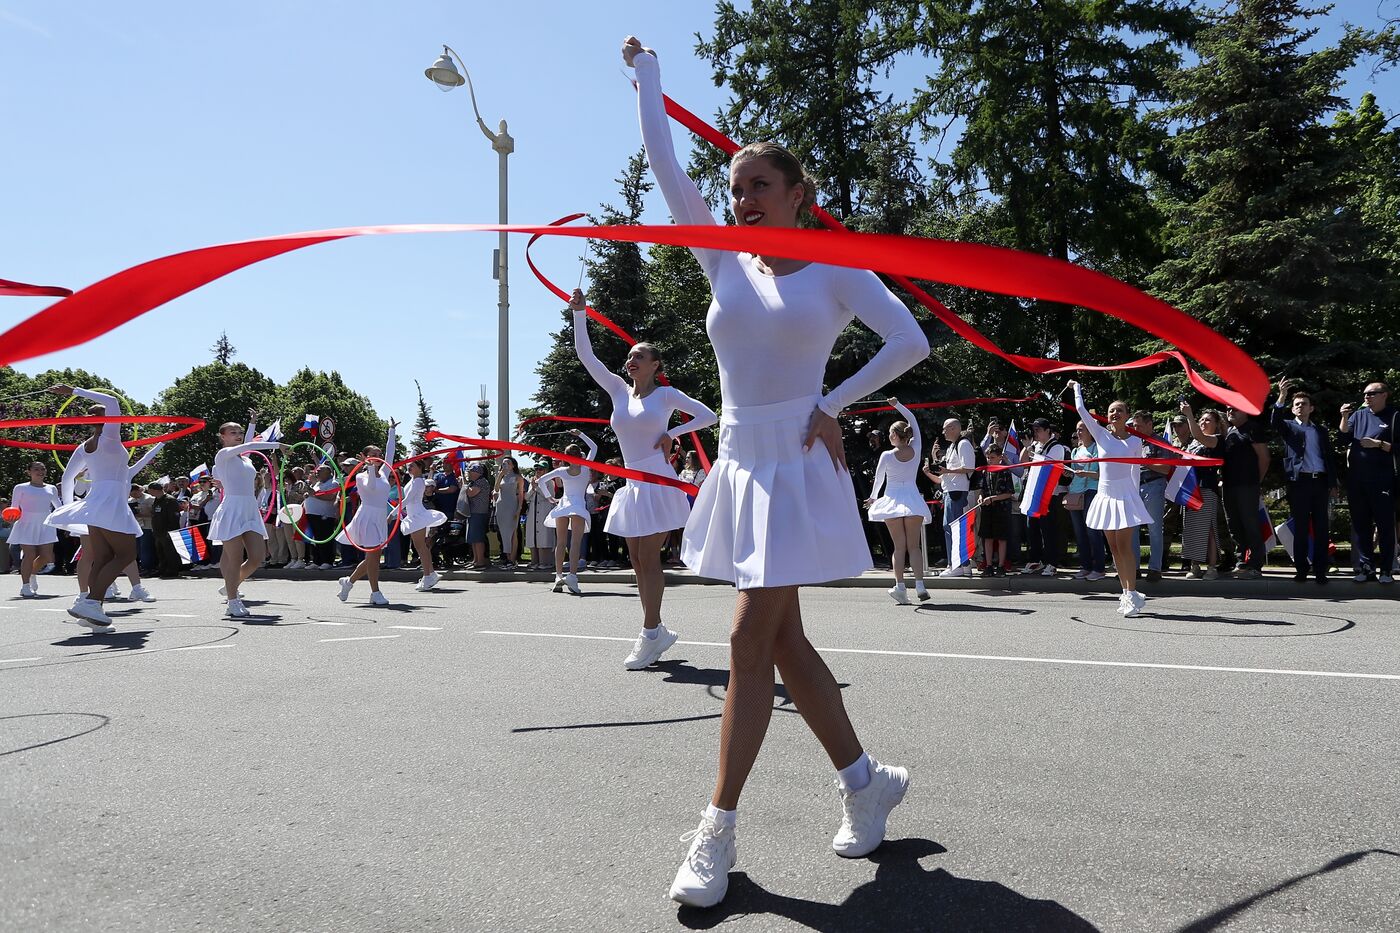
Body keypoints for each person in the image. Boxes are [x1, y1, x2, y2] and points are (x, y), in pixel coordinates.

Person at [626, 36, 929, 909]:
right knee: (783, 642)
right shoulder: (722, 257)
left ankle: (717, 827)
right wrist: (648, 80)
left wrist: (832, 402)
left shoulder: (837, 269)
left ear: (801, 195)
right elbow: (663, 162)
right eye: (735, 190)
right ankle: (866, 780)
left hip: (794, 463)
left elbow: (910, 340)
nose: (742, 198)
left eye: (759, 185)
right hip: (740, 461)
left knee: (747, 640)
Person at [570, 288, 719, 665]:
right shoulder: (619, 391)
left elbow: (709, 416)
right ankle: (658, 630)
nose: (631, 359)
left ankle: (650, 632)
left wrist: (673, 434)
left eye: (639, 355)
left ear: (655, 365)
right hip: (633, 484)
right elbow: (587, 357)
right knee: (637, 560)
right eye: (630, 355)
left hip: (658, 482)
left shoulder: (666, 396)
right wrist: (579, 314)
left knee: (648, 559)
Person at [42, 385, 144, 632]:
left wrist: (70, 511)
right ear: (105, 419)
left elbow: (67, 479)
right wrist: (75, 390)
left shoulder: (85, 445)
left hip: (95, 502)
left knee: (104, 558)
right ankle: (90, 601)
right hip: (110, 501)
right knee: (126, 555)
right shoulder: (110, 437)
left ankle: (92, 613)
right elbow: (111, 401)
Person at [1071, 382, 1153, 615]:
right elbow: (1080, 409)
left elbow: (1135, 471)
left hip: (1125, 495)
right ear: (1106, 417)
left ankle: (1132, 593)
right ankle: (1126, 592)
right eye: (1111, 411)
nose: (1115, 413)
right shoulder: (1101, 436)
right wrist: (1077, 386)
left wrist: (1134, 499)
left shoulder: (1135, 441)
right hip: (1105, 494)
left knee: (1125, 547)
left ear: (1127, 416)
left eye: (1119, 410)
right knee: (1114, 548)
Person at [208, 411, 286, 618]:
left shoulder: (246, 460)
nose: (237, 434)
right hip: (232, 508)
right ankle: (232, 601)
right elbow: (248, 446)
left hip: (250, 508)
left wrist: (252, 422)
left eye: (239, 432)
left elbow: (248, 445)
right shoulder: (222, 455)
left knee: (257, 557)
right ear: (222, 436)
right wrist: (277, 446)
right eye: (232, 432)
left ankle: (230, 585)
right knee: (234, 557)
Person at [1270, 378, 1337, 583]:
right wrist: (1281, 396)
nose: (1300, 406)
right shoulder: (1289, 427)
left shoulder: (1320, 431)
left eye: (1304, 404)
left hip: (1320, 482)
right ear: (1292, 409)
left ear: (1311, 408)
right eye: (1297, 404)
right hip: (1299, 483)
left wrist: (1333, 483)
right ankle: (1301, 568)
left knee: (1321, 527)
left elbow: (1329, 457)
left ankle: (1320, 570)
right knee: (1300, 527)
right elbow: (1275, 422)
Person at [865, 399, 930, 601]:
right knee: (914, 547)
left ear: (894, 435)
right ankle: (920, 586)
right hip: (912, 499)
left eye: (891, 434)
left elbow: (879, 479)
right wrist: (897, 405)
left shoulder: (886, 455)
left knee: (899, 547)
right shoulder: (916, 448)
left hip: (892, 500)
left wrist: (873, 498)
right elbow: (913, 420)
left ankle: (900, 587)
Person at [1338, 381, 1396, 584]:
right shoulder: (1359, 415)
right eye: (1365, 394)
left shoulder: (1395, 416)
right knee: (1361, 525)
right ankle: (1365, 567)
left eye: (1372, 394)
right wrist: (1344, 417)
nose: (1367, 397)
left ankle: (1387, 570)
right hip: (1357, 480)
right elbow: (1344, 437)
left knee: (1385, 525)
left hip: (1382, 481)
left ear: (1384, 395)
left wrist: (1379, 444)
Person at [336, 422, 399, 605]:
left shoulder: (385, 472)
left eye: (379, 455)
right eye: (374, 455)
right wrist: (370, 467)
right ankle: (375, 592)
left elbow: (391, 453)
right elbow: (371, 487)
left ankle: (349, 582)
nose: (378, 457)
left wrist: (392, 431)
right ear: (364, 457)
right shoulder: (360, 476)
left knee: (373, 556)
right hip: (367, 516)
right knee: (373, 556)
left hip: (379, 517)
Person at [535, 431, 599, 595]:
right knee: (575, 543)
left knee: (561, 543)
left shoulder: (562, 470)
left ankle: (557, 576)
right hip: (577, 505)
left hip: (563, 505)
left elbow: (540, 480)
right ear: (580, 454)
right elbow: (594, 447)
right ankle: (572, 575)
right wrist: (580, 434)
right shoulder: (585, 468)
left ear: (565, 456)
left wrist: (550, 497)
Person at [1219, 405, 1270, 579]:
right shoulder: (1230, 431)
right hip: (1229, 486)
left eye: (1234, 409)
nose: (1230, 412)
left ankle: (1255, 564)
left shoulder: (1253, 429)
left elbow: (1264, 457)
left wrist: (1257, 481)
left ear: (1245, 411)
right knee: (1234, 525)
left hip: (1247, 485)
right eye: (1227, 409)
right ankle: (1242, 561)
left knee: (1250, 524)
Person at [921, 417, 976, 577]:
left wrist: (947, 471)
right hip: (950, 491)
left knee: (951, 528)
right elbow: (943, 478)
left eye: (945, 428)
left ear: (953, 428)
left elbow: (969, 468)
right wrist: (930, 471)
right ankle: (963, 565)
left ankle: (955, 565)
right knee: (955, 528)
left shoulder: (963, 444)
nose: (943, 431)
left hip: (956, 492)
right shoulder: (953, 446)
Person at [1179, 404, 1224, 579]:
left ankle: (1212, 567)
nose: (1204, 422)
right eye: (1202, 419)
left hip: (1207, 488)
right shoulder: (1193, 444)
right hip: (1191, 489)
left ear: (1217, 425)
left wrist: (1189, 414)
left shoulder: (1216, 439)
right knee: (1191, 528)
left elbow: (1198, 434)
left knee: (1208, 527)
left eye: (1208, 420)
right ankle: (1194, 565)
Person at [1019, 418, 1068, 576]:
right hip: (1034, 492)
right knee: (1031, 527)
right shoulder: (1035, 445)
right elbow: (1023, 461)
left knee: (1048, 530)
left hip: (1049, 494)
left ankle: (1052, 562)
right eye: (1034, 430)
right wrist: (1027, 448)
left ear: (1048, 431)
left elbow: (1045, 466)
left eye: (1039, 430)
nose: (1036, 433)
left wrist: (1031, 450)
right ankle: (1035, 560)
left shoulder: (1056, 447)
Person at [1130, 411, 1173, 580]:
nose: (1135, 428)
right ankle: (1134, 568)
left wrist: (1144, 462)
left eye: (1139, 425)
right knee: (1133, 530)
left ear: (1150, 424)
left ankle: (1155, 568)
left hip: (1153, 485)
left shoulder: (1160, 443)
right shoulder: (1133, 442)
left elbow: (1166, 468)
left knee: (1154, 529)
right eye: (1134, 425)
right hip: (1134, 487)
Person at [9, 460, 61, 597]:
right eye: (36, 469)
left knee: (46, 556)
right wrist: (11, 515)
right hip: (26, 523)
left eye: (42, 469)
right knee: (30, 554)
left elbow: (58, 506)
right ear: (29, 472)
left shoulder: (51, 488)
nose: (40, 472)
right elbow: (14, 507)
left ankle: (32, 574)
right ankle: (25, 586)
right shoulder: (20, 487)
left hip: (46, 524)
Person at [1066, 421, 1106, 581]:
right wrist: (1069, 473)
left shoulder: (1098, 449)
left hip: (1091, 491)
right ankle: (1085, 566)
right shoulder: (1076, 450)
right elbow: (1073, 473)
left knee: (1092, 530)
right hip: (1075, 493)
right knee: (1079, 532)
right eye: (1077, 430)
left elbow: (1103, 474)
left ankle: (1099, 568)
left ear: (1091, 431)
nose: (1078, 433)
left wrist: (1086, 474)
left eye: (1081, 429)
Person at [399, 457, 447, 590]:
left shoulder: (419, 481)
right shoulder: (413, 479)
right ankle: (431, 574)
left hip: (417, 516)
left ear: (420, 468)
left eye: (413, 465)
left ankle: (428, 576)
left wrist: (393, 514)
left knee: (420, 547)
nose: (409, 467)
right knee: (420, 547)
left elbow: (407, 500)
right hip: (413, 516)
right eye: (409, 465)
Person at [978, 445, 1016, 576]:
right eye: (988, 457)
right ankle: (988, 565)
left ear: (1000, 458)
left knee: (1001, 538)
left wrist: (993, 498)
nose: (989, 460)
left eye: (992, 458)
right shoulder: (985, 471)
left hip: (1001, 509)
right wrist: (981, 497)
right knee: (987, 537)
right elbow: (982, 490)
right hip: (988, 509)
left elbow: (1009, 493)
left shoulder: (1005, 471)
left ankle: (1001, 565)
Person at [303, 464, 340, 569]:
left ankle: (327, 561)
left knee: (324, 537)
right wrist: (308, 495)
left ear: (328, 472)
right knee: (315, 539)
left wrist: (313, 494)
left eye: (320, 471)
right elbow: (314, 494)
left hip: (324, 515)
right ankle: (317, 561)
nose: (316, 472)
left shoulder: (333, 483)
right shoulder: (318, 483)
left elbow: (331, 497)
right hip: (313, 515)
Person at [457, 462, 492, 570]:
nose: (469, 473)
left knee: (478, 538)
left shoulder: (482, 482)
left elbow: (471, 493)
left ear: (477, 472)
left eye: (471, 471)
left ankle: (480, 561)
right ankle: (475, 560)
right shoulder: (474, 482)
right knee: (473, 538)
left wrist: (464, 484)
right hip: (472, 513)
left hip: (479, 513)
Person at [493, 456, 526, 570]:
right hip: (501, 506)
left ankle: (512, 559)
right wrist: (500, 475)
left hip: (512, 505)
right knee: (504, 533)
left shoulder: (518, 477)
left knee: (512, 532)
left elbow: (521, 495)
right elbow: (496, 489)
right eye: (503, 463)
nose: (505, 465)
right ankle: (507, 558)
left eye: (507, 463)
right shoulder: (502, 477)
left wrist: (519, 509)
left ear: (513, 465)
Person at [523, 464, 557, 570]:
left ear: (545, 470)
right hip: (533, 511)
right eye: (536, 469)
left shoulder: (550, 482)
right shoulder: (532, 482)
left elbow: (550, 496)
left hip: (544, 510)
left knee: (544, 536)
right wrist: (533, 488)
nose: (538, 471)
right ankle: (534, 561)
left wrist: (537, 488)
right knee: (533, 536)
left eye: (540, 469)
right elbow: (527, 497)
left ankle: (546, 561)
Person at [150, 482, 185, 578]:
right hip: (158, 531)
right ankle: (162, 569)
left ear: (155, 490)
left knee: (170, 552)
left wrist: (171, 531)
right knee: (160, 552)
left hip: (167, 531)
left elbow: (174, 517)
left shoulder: (169, 500)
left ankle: (172, 570)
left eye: (151, 490)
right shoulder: (157, 500)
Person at [277, 466, 310, 570]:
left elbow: (303, 497)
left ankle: (301, 559)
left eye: (286, 478)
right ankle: (293, 558)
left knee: (297, 537)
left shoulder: (299, 484)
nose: (285, 480)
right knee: (289, 538)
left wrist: (291, 492)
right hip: (287, 514)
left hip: (297, 513)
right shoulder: (285, 488)